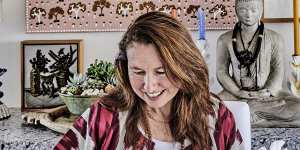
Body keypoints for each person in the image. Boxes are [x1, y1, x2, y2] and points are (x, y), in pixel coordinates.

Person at [54, 11, 244, 150]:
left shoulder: (216, 116)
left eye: (161, 72)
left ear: (184, 67)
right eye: (137, 71)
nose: (149, 85)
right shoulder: (104, 115)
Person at [216, 0, 300, 127]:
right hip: (235, 95)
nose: (248, 15)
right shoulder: (225, 39)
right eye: (243, 10)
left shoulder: (275, 38)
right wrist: (238, 92)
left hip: (267, 97)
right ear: (236, 10)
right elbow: (221, 72)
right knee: (205, 109)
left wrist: (268, 91)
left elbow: (278, 70)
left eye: (253, 10)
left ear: (261, 11)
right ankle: (256, 117)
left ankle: (248, 117)